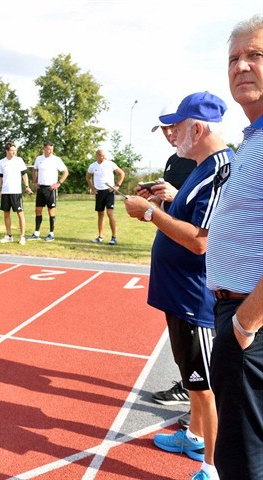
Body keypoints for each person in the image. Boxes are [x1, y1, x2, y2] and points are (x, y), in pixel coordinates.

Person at [124, 91, 234, 480]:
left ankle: (212, 467)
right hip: (180, 293)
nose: (172, 136)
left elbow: (200, 240)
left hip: (194, 296)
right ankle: (193, 436)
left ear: (198, 128)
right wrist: (168, 201)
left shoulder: (221, 168)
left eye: (178, 128)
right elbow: (191, 221)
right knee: (193, 377)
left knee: (206, 388)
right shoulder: (203, 166)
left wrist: (151, 212)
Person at [207, 15, 263, 480]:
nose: (241, 66)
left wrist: (246, 323)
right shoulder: (252, 140)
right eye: (233, 59)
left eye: (255, 55)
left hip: (251, 320)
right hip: (239, 313)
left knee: (242, 459)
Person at [147, 107, 197, 428]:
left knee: (196, 339)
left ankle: (201, 417)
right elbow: (173, 209)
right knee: (180, 337)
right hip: (171, 262)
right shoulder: (173, 160)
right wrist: (154, 200)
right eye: (162, 129)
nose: (167, 133)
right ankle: (189, 386)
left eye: (171, 127)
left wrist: (174, 197)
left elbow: (206, 213)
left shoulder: (206, 162)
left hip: (193, 267)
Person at [28, 141, 68, 242]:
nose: (50, 151)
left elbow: (65, 172)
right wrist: (34, 181)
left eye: (51, 149)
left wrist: (58, 183)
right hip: (41, 188)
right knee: (38, 210)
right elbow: (35, 169)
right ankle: (36, 233)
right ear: (44, 149)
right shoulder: (39, 158)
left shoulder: (56, 160)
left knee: (51, 211)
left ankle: (51, 234)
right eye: (48, 149)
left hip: (51, 189)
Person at [86, 148, 125, 245]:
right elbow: (88, 178)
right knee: (100, 214)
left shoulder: (110, 164)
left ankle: (114, 237)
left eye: (104, 155)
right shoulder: (93, 166)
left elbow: (121, 173)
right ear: (97, 156)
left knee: (110, 213)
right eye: (101, 155)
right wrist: (92, 188)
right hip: (99, 192)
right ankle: (100, 237)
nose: (103, 157)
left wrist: (117, 185)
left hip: (109, 191)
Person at [0, 142, 33, 246]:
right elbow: (0, 177)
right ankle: (9, 236)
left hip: (16, 192)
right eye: (12, 150)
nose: (14, 152)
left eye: (15, 150)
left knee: (20, 214)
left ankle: (22, 237)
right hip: (6, 192)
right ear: (7, 151)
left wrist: (27, 186)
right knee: (6, 214)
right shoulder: (1, 162)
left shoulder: (19, 160)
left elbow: (24, 174)